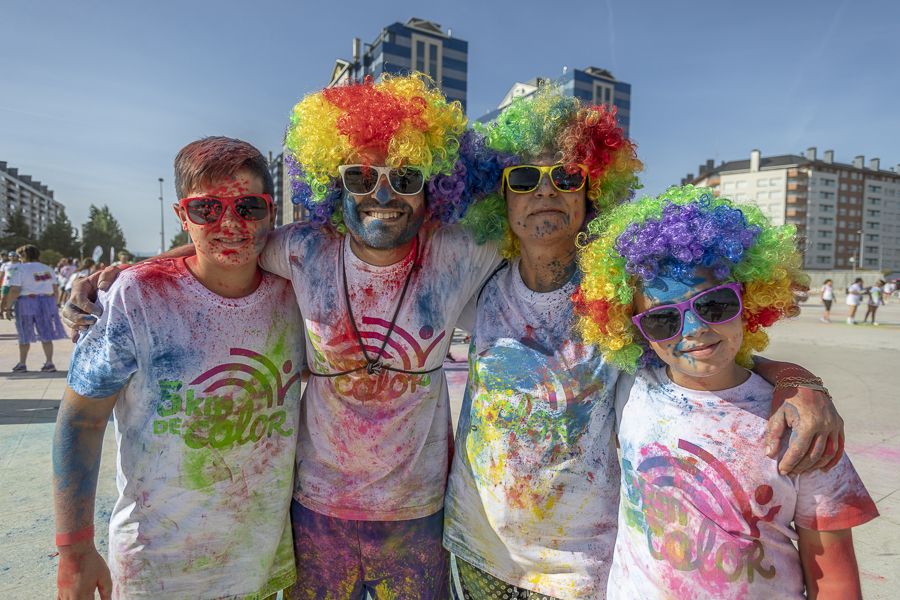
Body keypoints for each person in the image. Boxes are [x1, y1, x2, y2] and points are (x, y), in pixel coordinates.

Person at [65, 74, 500, 599]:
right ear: (332, 184)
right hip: (314, 511)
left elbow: (546, 243)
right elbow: (232, 240)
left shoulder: (462, 251)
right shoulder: (304, 251)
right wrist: (133, 272)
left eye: (406, 177)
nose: (382, 193)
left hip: (417, 514)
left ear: (435, 187)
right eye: (359, 176)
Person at [443, 89, 846, 600]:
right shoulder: (475, 290)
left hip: (579, 572)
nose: (545, 192)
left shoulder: (624, 301)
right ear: (501, 198)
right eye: (523, 179)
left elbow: (699, 349)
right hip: (475, 551)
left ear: (591, 193)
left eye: (567, 177)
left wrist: (797, 381)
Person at [574, 186, 878, 599]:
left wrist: (802, 384)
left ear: (748, 298)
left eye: (714, 305)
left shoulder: (801, 425)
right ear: (637, 331)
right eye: (664, 321)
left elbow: (833, 574)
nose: (694, 329)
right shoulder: (632, 388)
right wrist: (798, 377)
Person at [53, 137, 305, 599]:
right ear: (182, 215)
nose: (230, 223)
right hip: (159, 571)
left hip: (261, 564)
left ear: (271, 212)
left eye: (248, 207)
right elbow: (81, 418)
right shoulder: (138, 295)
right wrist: (73, 551)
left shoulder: (297, 295)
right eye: (207, 209)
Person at [0, 244, 66, 372]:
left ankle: (22, 363)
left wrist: (7, 307)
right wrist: (55, 303)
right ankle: (49, 362)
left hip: (26, 301)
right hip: (46, 302)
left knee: (24, 333)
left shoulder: (21, 269)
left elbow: (14, 290)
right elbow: (55, 289)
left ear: (24, 255)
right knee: (46, 332)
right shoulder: (48, 269)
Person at [1, 249, 20, 319]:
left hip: (16, 284)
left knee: (12, 300)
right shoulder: (5, 265)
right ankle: (1, 312)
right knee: (3, 298)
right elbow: (1, 275)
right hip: (6, 284)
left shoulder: (21, 265)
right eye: (10, 256)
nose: (12, 257)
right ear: (8, 257)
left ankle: (9, 312)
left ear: (17, 257)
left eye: (14, 256)